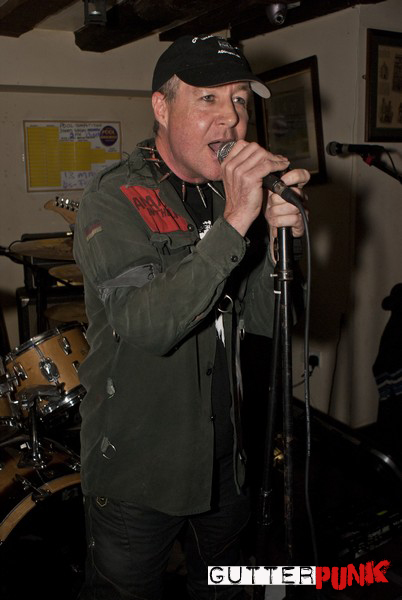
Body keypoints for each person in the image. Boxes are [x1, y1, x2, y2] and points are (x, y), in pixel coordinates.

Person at [73, 34, 309, 600]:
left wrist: (284, 240)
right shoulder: (115, 197)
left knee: (225, 587)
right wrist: (236, 222)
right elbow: (148, 326)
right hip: (140, 467)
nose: (231, 118)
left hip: (225, 458)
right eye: (208, 98)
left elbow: (270, 321)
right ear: (162, 106)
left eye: (239, 100)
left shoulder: (228, 196)